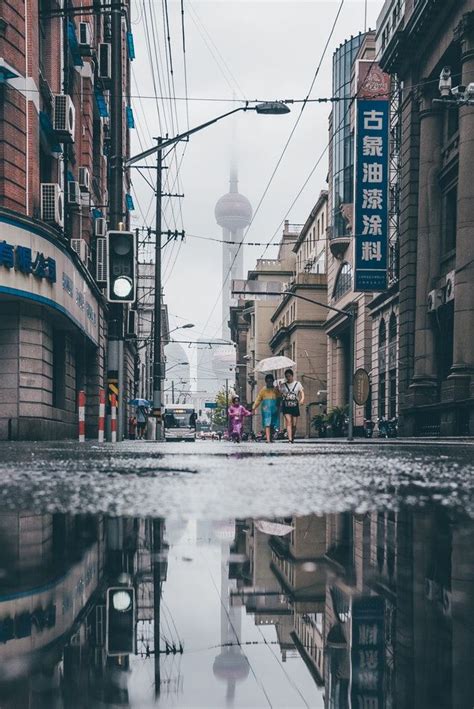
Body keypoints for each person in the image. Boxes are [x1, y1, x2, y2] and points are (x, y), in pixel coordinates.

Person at [252, 374, 281, 443]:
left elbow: (280, 398)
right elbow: (258, 399)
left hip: (274, 409)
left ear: (273, 381)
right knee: (267, 423)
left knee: (273, 424)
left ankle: (270, 437)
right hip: (266, 409)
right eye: (268, 381)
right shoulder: (263, 390)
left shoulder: (275, 389)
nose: (269, 383)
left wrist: (279, 390)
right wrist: (253, 408)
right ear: (266, 381)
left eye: (270, 381)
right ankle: (268, 439)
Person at [279, 369, 304, 443]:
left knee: (294, 424)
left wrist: (302, 399)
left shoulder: (298, 384)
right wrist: (279, 389)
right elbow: (281, 394)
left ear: (292, 376)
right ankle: (290, 439)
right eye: (286, 376)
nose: (288, 378)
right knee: (288, 421)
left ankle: (292, 436)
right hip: (286, 405)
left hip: (294, 405)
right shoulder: (283, 385)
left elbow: (302, 392)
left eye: (289, 376)